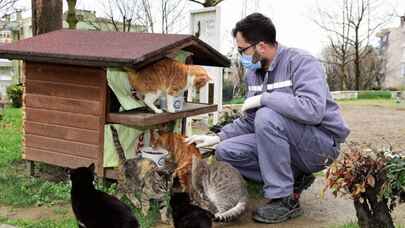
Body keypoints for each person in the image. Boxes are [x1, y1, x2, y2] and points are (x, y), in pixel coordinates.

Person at [186, 13, 350, 224]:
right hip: (286, 142)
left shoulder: (301, 62)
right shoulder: (254, 74)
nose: (240, 55)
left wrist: (265, 98)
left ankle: (283, 198)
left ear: (261, 46)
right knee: (226, 151)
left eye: (242, 49)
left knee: (267, 114)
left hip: (320, 146)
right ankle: (294, 177)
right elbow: (249, 120)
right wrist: (218, 137)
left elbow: (313, 110)